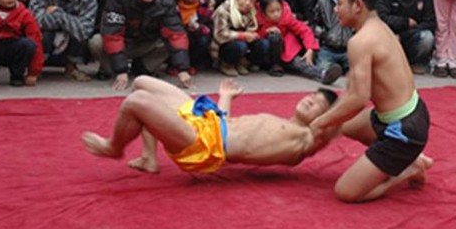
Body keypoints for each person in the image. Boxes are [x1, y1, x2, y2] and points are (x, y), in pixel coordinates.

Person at [309, 0, 432, 202]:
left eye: (340, 3)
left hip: (403, 130)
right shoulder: (380, 26)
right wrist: (328, 121)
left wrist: (320, 121)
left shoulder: (360, 41)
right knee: (341, 127)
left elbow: (358, 99)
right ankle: (408, 158)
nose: (335, 9)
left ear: (358, 5)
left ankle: (409, 169)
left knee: (345, 192)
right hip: (411, 114)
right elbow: (355, 94)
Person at [82, 76, 340, 174]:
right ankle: (149, 158)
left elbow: (341, 119)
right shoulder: (282, 123)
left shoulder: (304, 139)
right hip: (209, 122)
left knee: (136, 102)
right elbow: (225, 124)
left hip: (203, 144)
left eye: (319, 104)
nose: (310, 100)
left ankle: (114, 147)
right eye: (312, 96)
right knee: (141, 83)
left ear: (324, 121)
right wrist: (225, 99)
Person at [99, 0, 192, 90]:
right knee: (97, 42)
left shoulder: (166, 3)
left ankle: (142, 68)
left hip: (146, 44)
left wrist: (183, 69)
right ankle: (110, 70)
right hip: (124, 43)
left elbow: (176, 35)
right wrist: (121, 70)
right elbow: (113, 35)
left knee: (168, 43)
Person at [30, 0, 99, 82]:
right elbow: (36, 22)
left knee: (80, 35)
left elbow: (84, 32)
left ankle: (72, 67)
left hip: (70, 43)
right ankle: (36, 67)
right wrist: (72, 21)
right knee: (41, 32)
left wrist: (58, 13)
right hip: (45, 41)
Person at [256, 0, 343, 83]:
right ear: (264, 12)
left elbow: (304, 30)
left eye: (278, 10)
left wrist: (310, 48)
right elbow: (254, 35)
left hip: (286, 52)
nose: (276, 14)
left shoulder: (287, 18)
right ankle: (275, 65)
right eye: (272, 11)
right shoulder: (258, 20)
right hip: (268, 56)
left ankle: (323, 74)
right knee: (274, 36)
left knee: (301, 64)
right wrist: (266, 31)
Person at [377, 0, 436, 75]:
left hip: (413, 34)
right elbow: (381, 17)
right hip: (391, 34)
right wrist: (405, 22)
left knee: (427, 37)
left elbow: (430, 22)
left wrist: (405, 34)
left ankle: (415, 63)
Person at [211, 0, 270, 77]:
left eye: (252, 1)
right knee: (240, 45)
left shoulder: (253, 12)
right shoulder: (224, 10)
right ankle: (226, 64)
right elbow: (219, 35)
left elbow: (254, 28)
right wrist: (242, 35)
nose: (248, 3)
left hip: (244, 41)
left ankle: (243, 63)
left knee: (264, 44)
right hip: (223, 45)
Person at [313, 0, 353, 72]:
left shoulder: (355, 3)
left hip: (349, 48)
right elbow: (315, 24)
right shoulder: (323, 2)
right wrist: (324, 35)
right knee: (323, 66)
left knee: (357, 67)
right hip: (328, 48)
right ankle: (330, 71)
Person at [175, 0, 212, 73]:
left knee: (204, 40)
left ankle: (194, 63)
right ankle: (176, 65)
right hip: (180, 35)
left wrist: (198, 28)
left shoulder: (204, 3)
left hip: (198, 34)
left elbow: (209, 24)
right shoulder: (175, 7)